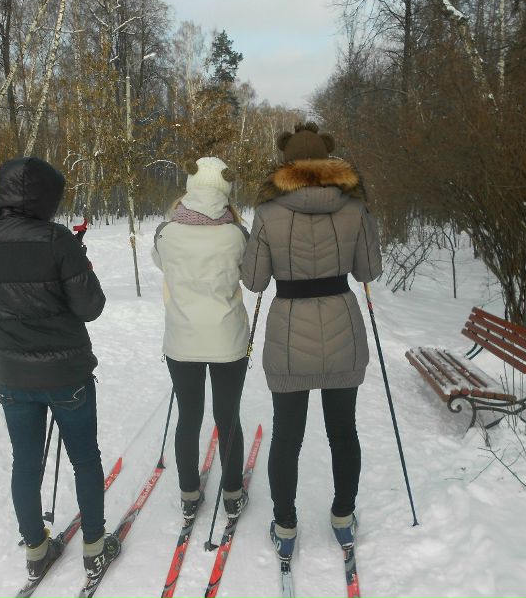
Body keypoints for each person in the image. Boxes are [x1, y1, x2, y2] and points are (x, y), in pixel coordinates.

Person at [0, 157, 119, 588]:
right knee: (85, 458)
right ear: (46, 196)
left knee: (26, 463)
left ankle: (35, 550)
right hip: (66, 371)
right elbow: (91, 307)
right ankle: (94, 547)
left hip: (13, 372)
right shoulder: (57, 240)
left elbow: (8, 296)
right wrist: (80, 264)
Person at [240, 123, 382, 562]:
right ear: (328, 162)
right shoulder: (355, 207)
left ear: (287, 165)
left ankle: (285, 525)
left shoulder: (268, 212)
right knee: (344, 432)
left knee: (286, 436)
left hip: (288, 334)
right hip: (342, 324)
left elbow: (254, 279)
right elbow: (368, 271)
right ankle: (342, 517)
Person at [151, 156, 251, 520]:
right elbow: (251, 274)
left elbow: (160, 262)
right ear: (225, 189)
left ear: (190, 188)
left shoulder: (166, 231)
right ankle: (232, 493)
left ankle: (189, 494)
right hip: (228, 341)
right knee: (228, 418)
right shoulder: (237, 233)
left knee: (188, 417)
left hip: (182, 340)